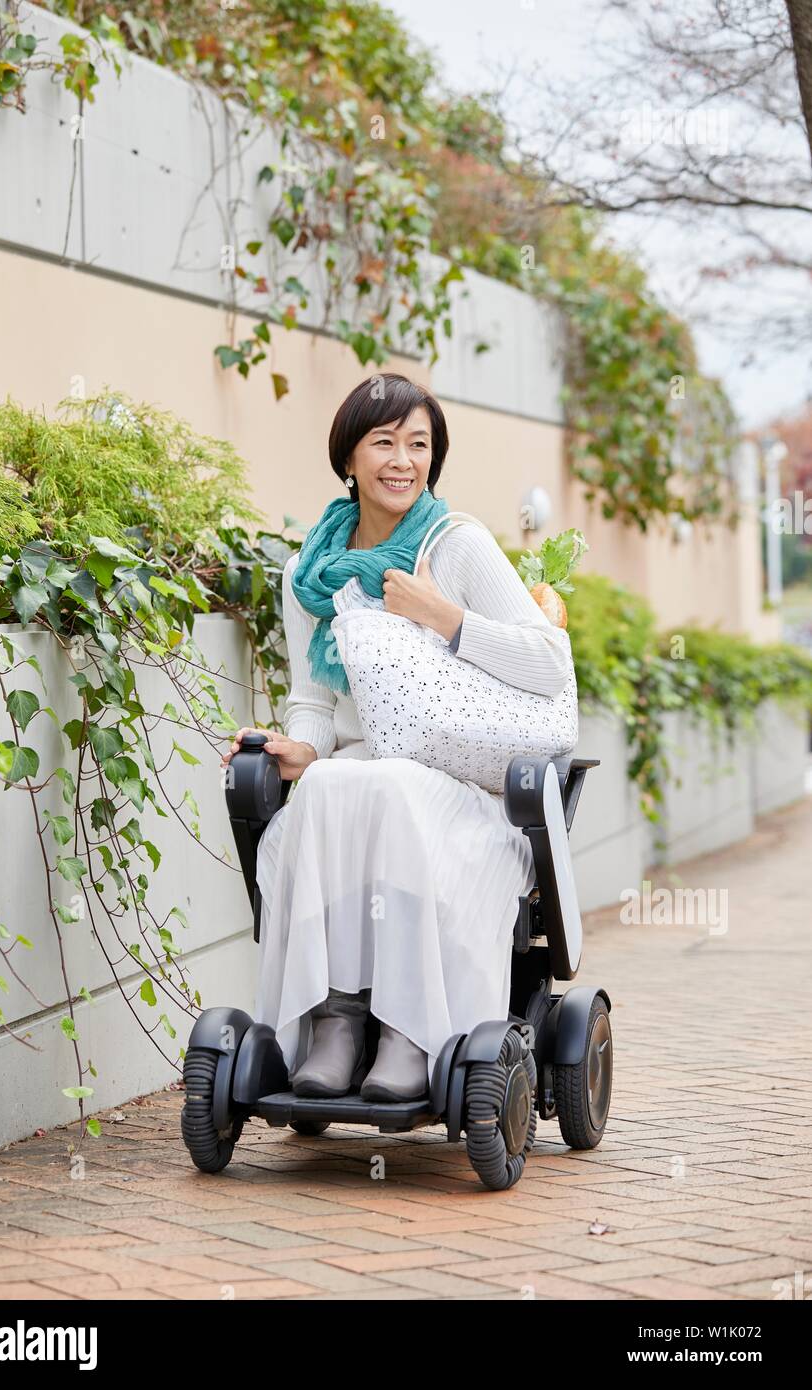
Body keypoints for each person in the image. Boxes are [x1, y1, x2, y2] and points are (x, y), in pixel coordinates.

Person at [221, 373, 573, 1103]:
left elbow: (548, 662)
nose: (402, 460)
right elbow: (314, 699)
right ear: (348, 457)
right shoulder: (306, 575)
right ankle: (338, 1021)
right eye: (383, 442)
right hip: (359, 773)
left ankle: (410, 1031)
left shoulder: (459, 546)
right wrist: (303, 747)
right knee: (328, 781)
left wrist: (444, 616)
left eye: (419, 444)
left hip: (465, 782)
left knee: (389, 781)